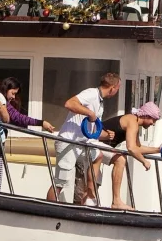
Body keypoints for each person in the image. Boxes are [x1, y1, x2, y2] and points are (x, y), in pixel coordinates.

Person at [49, 72, 121, 203]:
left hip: (81, 143)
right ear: (112, 88)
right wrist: (89, 112)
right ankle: (48, 208)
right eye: (118, 88)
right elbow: (69, 103)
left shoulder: (100, 102)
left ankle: (89, 195)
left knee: (97, 156)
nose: (117, 91)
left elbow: (92, 130)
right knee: (61, 181)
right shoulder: (91, 93)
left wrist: (107, 135)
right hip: (68, 141)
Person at [98, 102, 162, 210]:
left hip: (99, 147)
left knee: (95, 181)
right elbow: (131, 148)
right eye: (153, 120)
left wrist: (158, 150)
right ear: (146, 116)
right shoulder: (132, 121)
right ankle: (116, 201)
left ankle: (114, 201)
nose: (153, 123)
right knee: (120, 159)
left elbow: (137, 147)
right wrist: (144, 161)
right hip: (92, 143)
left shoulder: (134, 122)